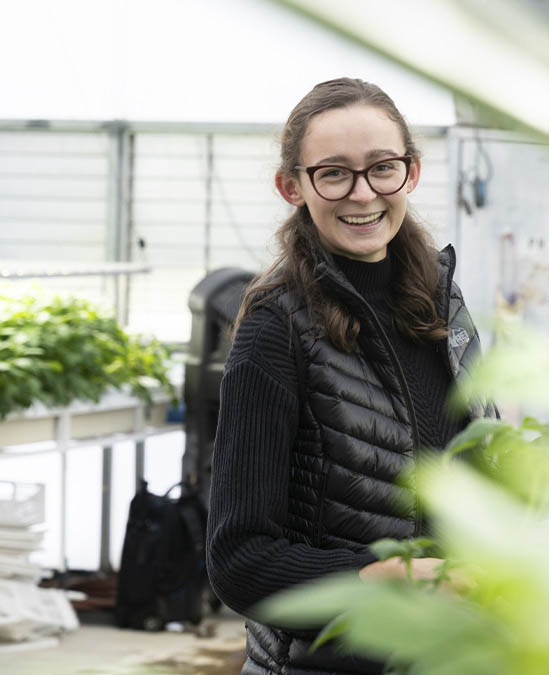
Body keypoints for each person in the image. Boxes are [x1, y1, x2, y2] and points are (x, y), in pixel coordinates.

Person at [206, 77, 493, 675]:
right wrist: (377, 576)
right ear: (293, 186)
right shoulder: (276, 331)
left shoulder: (442, 306)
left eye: (381, 168)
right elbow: (240, 563)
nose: (362, 194)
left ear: (410, 172)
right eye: (333, 173)